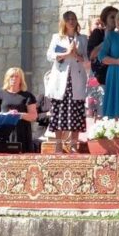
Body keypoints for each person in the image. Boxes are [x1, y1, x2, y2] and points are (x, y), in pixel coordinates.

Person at [46, 11, 89, 153]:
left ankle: (73, 144)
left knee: (76, 111)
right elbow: (50, 55)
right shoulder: (57, 38)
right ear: (64, 22)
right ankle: (58, 144)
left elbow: (87, 59)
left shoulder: (83, 39)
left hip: (76, 78)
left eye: (73, 19)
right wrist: (67, 53)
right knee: (59, 112)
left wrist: (76, 55)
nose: (71, 21)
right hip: (61, 79)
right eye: (68, 19)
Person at [0, 67, 37, 152]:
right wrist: (6, 114)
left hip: (22, 132)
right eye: (11, 76)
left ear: (21, 79)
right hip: (5, 131)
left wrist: (19, 115)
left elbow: (33, 116)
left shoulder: (27, 96)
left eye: (17, 76)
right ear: (7, 78)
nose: (14, 79)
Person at [98, 13, 119, 119]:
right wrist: (117, 61)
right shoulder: (112, 36)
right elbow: (101, 56)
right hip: (115, 75)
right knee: (115, 107)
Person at [87, 6, 118, 86]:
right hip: (98, 78)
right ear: (105, 19)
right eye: (112, 17)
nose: (115, 20)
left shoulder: (118, 35)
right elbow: (91, 55)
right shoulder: (98, 33)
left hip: (114, 76)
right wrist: (107, 40)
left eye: (117, 17)